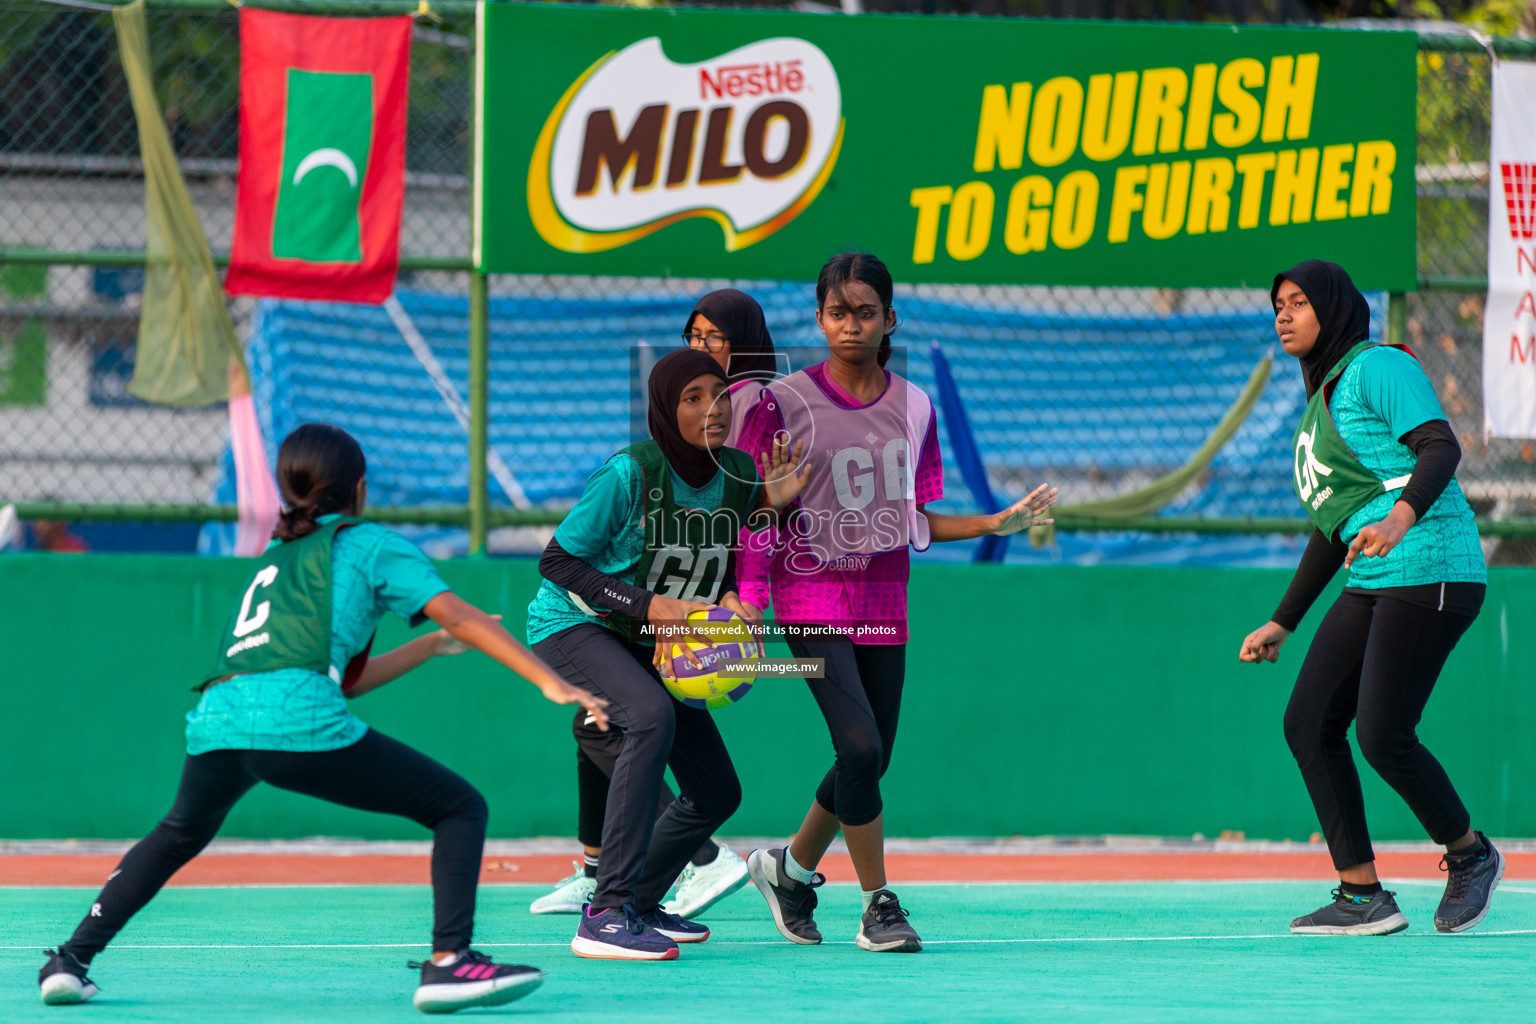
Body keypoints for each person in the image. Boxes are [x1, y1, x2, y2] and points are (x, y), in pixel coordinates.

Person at [36, 423, 608, 1014]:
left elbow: (350, 678)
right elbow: (463, 615)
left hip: (219, 719)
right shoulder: (370, 545)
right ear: (358, 488)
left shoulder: (280, 554)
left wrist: (431, 646)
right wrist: (552, 681)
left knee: (176, 833)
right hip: (293, 717)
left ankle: (70, 960)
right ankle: (450, 964)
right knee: (459, 806)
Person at [738, 252, 1056, 953]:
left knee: (869, 759)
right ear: (819, 318)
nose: (850, 325)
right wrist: (747, 599)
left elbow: (914, 517)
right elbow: (746, 508)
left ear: (890, 320)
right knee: (857, 743)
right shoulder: (782, 403)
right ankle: (878, 903)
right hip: (808, 594)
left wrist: (993, 522)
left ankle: (787, 871)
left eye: (865, 312)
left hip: (883, 598)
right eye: (836, 312)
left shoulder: (915, 406)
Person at [1239, 260, 1499, 936]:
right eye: (1278, 306)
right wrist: (1283, 619)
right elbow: (1338, 525)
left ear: (1333, 308)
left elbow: (1441, 448)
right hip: (1376, 572)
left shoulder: (1378, 367)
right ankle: (1363, 896)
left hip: (1433, 563)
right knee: (1308, 722)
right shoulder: (1323, 397)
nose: (1284, 315)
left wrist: (1401, 517)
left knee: (1383, 733)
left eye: (1298, 302)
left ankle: (1470, 855)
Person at [526, 348, 808, 960]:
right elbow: (557, 561)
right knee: (649, 717)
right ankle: (603, 914)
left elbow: (722, 553)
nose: (713, 408)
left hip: (650, 642)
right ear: (664, 408)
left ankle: (641, 902)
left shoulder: (736, 472)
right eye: (694, 397)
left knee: (716, 790)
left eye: (720, 395)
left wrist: (762, 525)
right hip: (573, 624)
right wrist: (646, 603)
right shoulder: (628, 473)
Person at [683, 287, 781, 447]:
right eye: (695, 335)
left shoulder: (751, 398)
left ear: (742, 343)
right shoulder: (695, 394)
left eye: (713, 336)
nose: (700, 347)